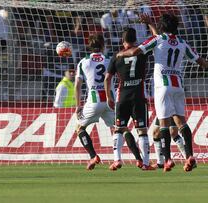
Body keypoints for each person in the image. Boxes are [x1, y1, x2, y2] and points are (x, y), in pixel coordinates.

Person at [117, 13, 208, 172]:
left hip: (162, 86)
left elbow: (135, 52)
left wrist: (120, 54)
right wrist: (150, 23)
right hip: (178, 85)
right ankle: (189, 156)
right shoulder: (182, 42)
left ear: (162, 26)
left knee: (164, 124)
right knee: (181, 122)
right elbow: (202, 62)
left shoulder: (157, 40)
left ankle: (167, 160)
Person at [105, 27, 154, 171]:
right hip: (138, 97)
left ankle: (117, 160)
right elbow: (156, 39)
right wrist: (150, 25)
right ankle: (145, 163)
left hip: (122, 97)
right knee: (142, 131)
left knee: (119, 129)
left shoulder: (117, 56)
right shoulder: (141, 52)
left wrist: (109, 96)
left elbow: (108, 78)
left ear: (122, 40)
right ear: (135, 39)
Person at [75, 34, 114, 170]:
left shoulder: (83, 62)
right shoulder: (110, 59)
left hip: (94, 102)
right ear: (103, 45)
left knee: (80, 128)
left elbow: (77, 85)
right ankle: (132, 159)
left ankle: (93, 156)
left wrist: (78, 105)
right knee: (120, 129)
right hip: (110, 101)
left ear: (89, 46)